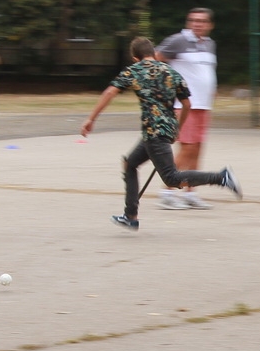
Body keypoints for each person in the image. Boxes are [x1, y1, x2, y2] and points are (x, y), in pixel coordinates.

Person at [80, 37, 241, 231]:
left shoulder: (134, 70)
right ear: (153, 53)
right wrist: (177, 128)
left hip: (154, 132)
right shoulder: (171, 72)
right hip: (162, 131)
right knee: (130, 164)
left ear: (135, 57)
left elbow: (109, 92)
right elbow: (187, 104)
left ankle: (221, 178)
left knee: (171, 178)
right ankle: (130, 216)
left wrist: (91, 119)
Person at [156, 8, 220, 209]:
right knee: (187, 148)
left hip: (203, 105)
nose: (197, 24)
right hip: (184, 105)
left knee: (198, 148)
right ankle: (167, 191)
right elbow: (154, 59)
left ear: (210, 25)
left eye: (202, 21)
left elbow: (205, 71)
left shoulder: (209, 44)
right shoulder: (178, 41)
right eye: (193, 20)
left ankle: (191, 192)